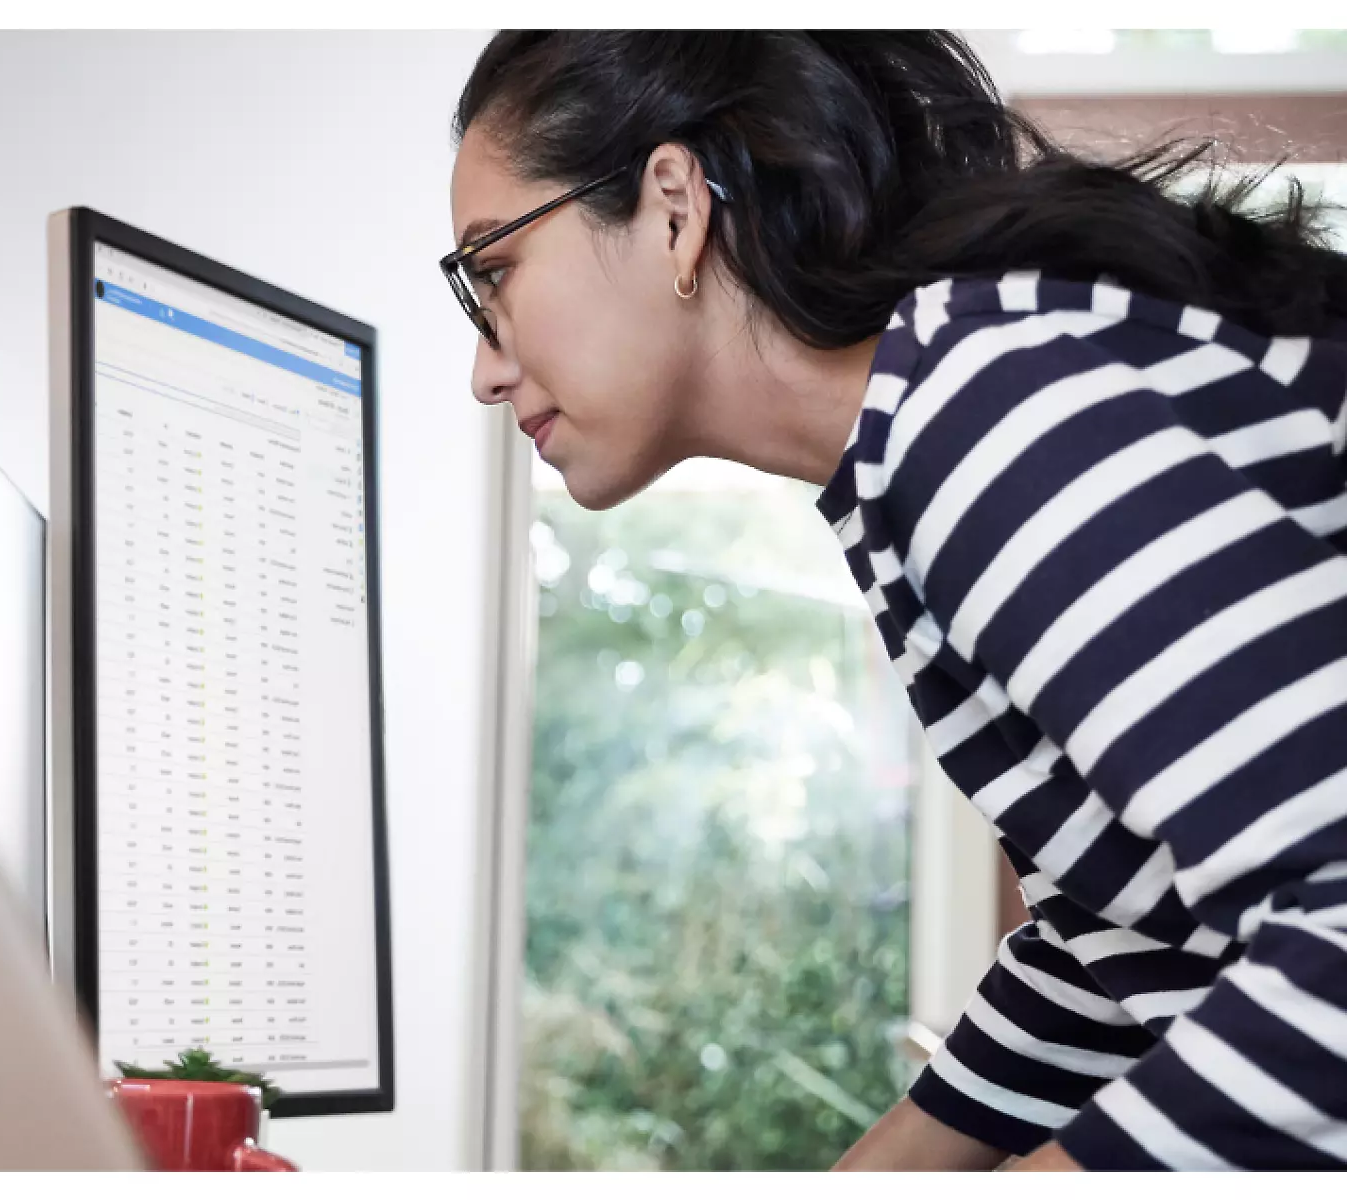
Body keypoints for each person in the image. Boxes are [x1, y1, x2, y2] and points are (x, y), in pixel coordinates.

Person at [445, 30, 1347, 1172]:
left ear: (672, 209)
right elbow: (1115, 941)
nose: (482, 365)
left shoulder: (986, 410)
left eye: (493, 270)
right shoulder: (920, 435)